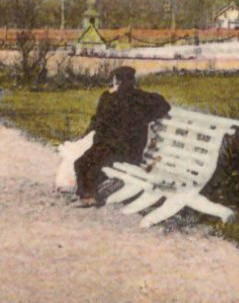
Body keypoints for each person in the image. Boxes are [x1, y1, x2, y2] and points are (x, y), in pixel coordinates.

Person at [71, 66, 170, 206]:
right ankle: (92, 192)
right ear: (133, 81)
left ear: (117, 81)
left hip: (115, 150)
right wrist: (146, 118)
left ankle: (88, 197)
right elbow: (164, 106)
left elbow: (99, 121)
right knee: (90, 162)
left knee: (83, 163)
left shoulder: (110, 99)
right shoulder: (143, 98)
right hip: (132, 152)